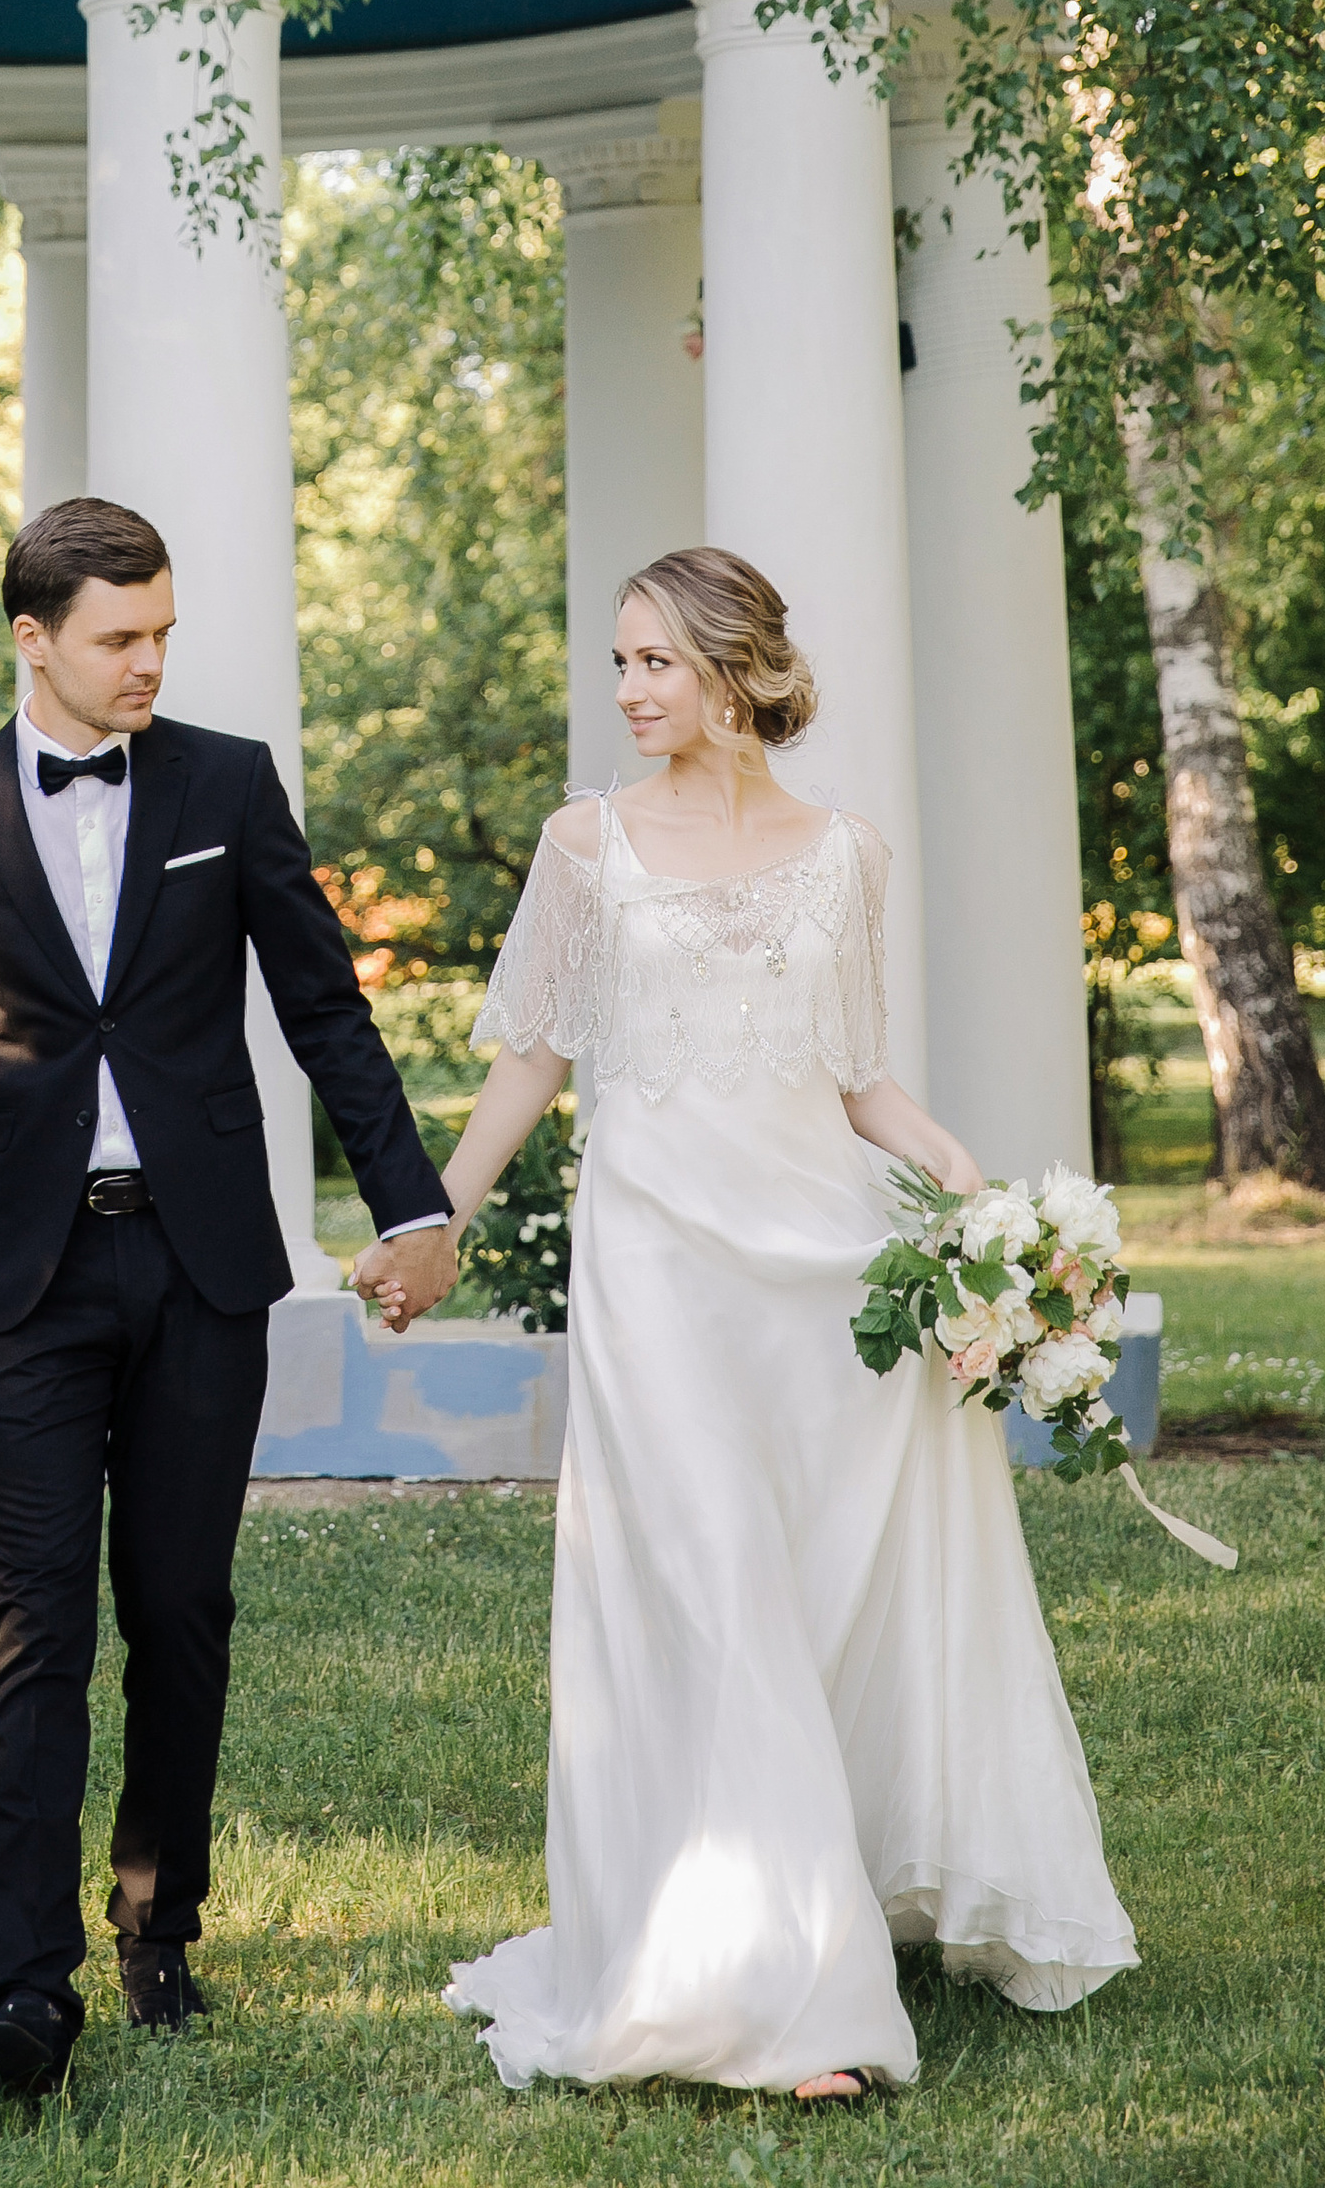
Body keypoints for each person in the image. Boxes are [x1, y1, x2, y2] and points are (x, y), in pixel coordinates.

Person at [358, 546, 1136, 2101]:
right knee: (707, 1593)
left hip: (821, 1280)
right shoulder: (586, 849)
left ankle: (824, 1896)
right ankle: (774, 1994)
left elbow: (856, 1078)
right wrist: (426, 1218)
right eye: (622, 663)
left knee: (813, 1595)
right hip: (658, 1282)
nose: (630, 690)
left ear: (733, 670)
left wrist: (963, 1177)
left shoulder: (848, 851)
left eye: (655, 662)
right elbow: (532, 1060)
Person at [0, 496, 456, 2098]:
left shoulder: (227, 784)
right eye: (120, 636)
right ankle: (26, 1989)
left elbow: (328, 1010)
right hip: (35, 1281)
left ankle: (159, 1920)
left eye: (163, 634)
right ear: (32, 637)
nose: (149, 662)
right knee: (32, 1620)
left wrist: (415, 1202)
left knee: (180, 1613)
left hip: (203, 1269)